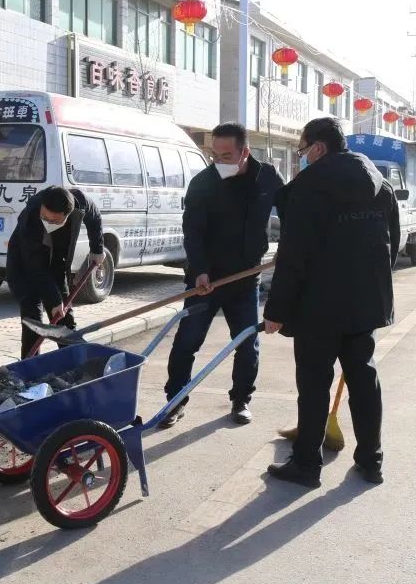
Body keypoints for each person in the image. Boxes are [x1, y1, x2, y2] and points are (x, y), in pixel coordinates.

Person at [263, 117, 399, 488]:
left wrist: (275, 312)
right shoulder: (380, 186)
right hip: (364, 305)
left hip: (318, 309)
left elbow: (294, 256)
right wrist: (370, 290)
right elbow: (391, 245)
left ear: (319, 148)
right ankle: (372, 461)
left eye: (303, 149)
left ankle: (307, 465)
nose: (302, 156)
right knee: (364, 381)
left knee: (314, 386)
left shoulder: (308, 189)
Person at [160, 123, 284, 429]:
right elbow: (193, 231)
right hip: (205, 280)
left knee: (246, 341)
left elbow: (293, 213)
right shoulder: (203, 183)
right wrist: (200, 270)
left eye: (227, 155)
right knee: (187, 341)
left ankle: (241, 399)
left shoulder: (267, 178)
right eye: (215, 155)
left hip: (246, 277)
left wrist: (290, 251)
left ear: (245, 152)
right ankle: (175, 400)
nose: (220, 162)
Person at [6, 186, 104, 359]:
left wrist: (97, 249)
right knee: (33, 319)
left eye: (54, 221)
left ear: (68, 214)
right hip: (25, 264)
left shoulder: (79, 201)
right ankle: (30, 367)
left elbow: (95, 217)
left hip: (57, 261)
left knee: (65, 317)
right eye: (44, 217)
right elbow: (35, 268)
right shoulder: (31, 218)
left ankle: (73, 362)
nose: (47, 222)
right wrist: (53, 300)